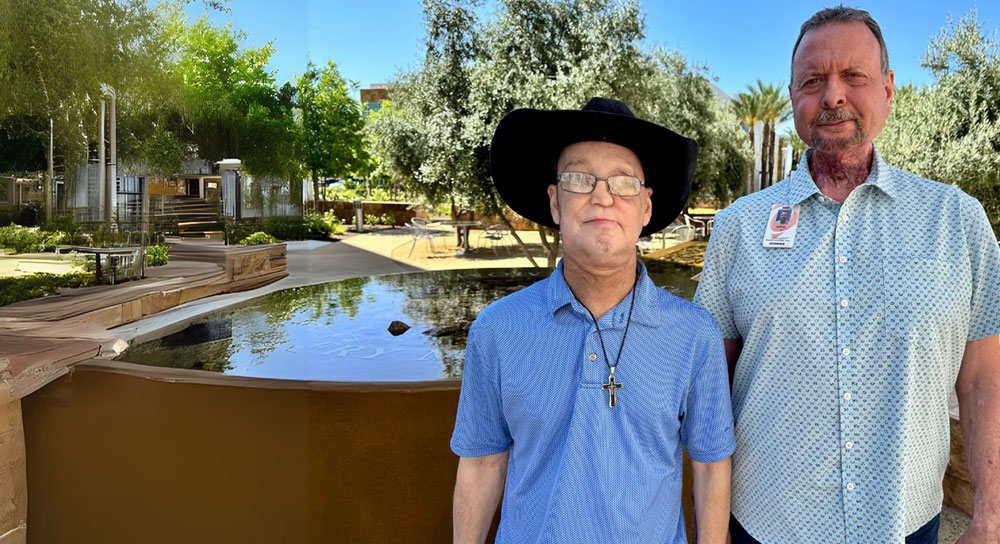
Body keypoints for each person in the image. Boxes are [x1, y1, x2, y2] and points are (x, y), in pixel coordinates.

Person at [695, 6, 1000, 543]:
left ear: (888, 88)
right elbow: (707, 390)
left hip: (907, 525)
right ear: (793, 97)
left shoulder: (958, 222)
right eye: (813, 80)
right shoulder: (737, 228)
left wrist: (991, 516)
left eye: (853, 75)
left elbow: (983, 381)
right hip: (765, 527)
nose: (833, 95)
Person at [450, 97, 735, 543]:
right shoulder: (497, 330)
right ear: (555, 202)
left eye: (624, 182)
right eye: (579, 178)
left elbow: (711, 468)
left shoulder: (695, 335)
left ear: (646, 208)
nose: (602, 196)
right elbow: (482, 462)